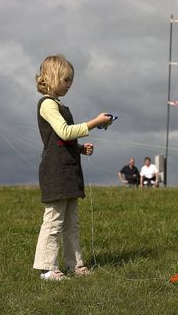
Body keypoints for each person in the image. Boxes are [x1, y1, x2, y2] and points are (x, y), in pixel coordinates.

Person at [33, 54, 112, 281]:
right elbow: (64, 131)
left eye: (71, 80)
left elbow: (62, 140)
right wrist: (95, 122)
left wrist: (78, 149)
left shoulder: (58, 105)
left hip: (68, 170)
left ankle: (74, 265)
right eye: (66, 80)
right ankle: (47, 269)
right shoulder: (47, 104)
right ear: (53, 77)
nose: (70, 84)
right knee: (54, 220)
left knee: (71, 222)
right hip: (55, 172)